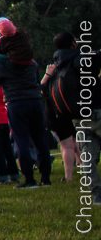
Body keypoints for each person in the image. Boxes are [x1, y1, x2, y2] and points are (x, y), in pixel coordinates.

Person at [0, 18, 53, 188]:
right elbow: (37, 81)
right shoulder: (32, 63)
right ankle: (46, 178)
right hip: (36, 102)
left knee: (21, 140)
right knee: (40, 140)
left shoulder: (1, 64)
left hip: (16, 103)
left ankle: (29, 179)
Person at [45, 32, 80, 183]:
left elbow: (42, 87)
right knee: (76, 143)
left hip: (57, 110)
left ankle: (70, 176)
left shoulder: (54, 64)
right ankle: (81, 173)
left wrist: (47, 74)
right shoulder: (77, 60)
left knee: (68, 145)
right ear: (72, 43)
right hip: (77, 108)